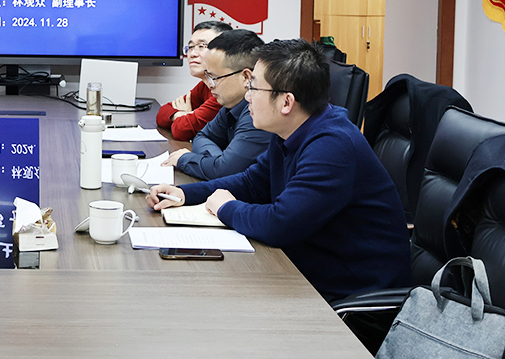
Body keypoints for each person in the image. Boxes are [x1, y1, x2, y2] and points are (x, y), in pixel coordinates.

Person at [148, 39, 411, 302]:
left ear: (286, 102)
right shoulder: (290, 130)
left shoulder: (333, 146)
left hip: (351, 298)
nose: (247, 96)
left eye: (253, 87)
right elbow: (252, 183)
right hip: (309, 272)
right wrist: (185, 194)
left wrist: (226, 208)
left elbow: (280, 224)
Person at [161, 29, 271, 180]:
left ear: (246, 77)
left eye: (215, 77)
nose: (210, 85)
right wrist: (218, 161)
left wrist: (184, 159)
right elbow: (202, 136)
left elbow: (225, 171)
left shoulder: (258, 112)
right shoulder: (231, 105)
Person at [156, 21, 231, 140]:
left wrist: (186, 117)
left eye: (202, 46)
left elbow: (182, 130)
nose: (192, 54)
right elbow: (162, 113)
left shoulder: (225, 89)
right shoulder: (205, 84)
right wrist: (182, 114)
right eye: (190, 47)